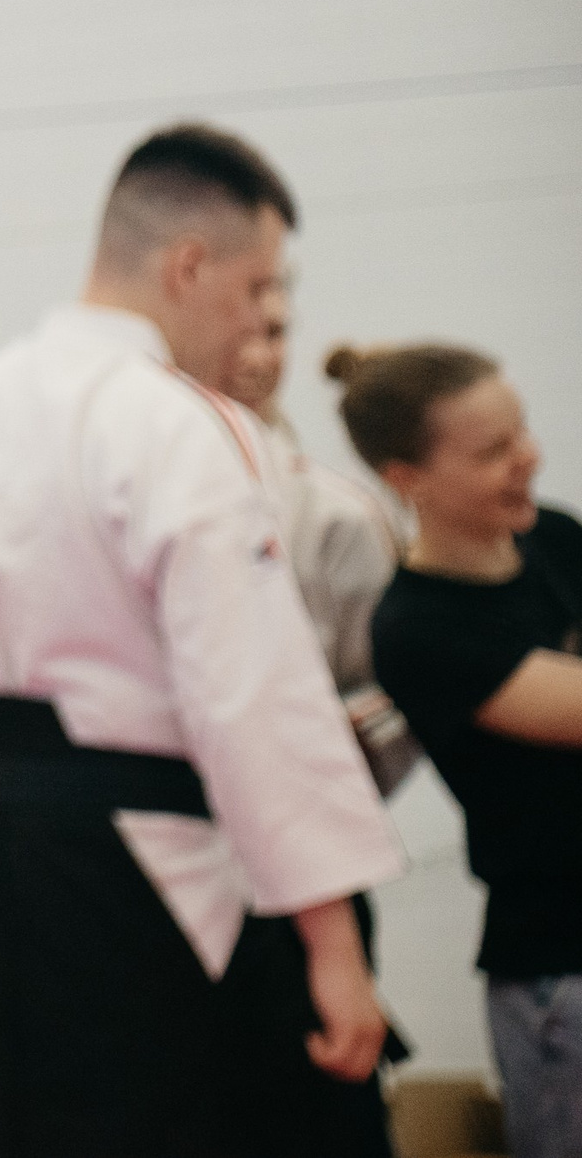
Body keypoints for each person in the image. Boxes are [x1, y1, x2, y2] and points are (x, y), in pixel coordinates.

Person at [0, 124, 404, 1158]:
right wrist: (332, 940)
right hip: (137, 855)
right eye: (255, 289)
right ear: (189, 265)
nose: (252, 324)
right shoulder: (171, 420)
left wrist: (28, 724)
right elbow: (251, 692)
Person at [341, 344, 582, 1157]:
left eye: (522, 434)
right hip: (560, 965)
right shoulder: (419, 627)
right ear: (407, 476)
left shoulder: (554, 537)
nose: (528, 459)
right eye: (492, 452)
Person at [222, 286, 419, 794]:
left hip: (307, 820)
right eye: (232, 333)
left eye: (273, 333)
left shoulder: (339, 516)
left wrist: (292, 773)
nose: (256, 358)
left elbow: (398, 690)